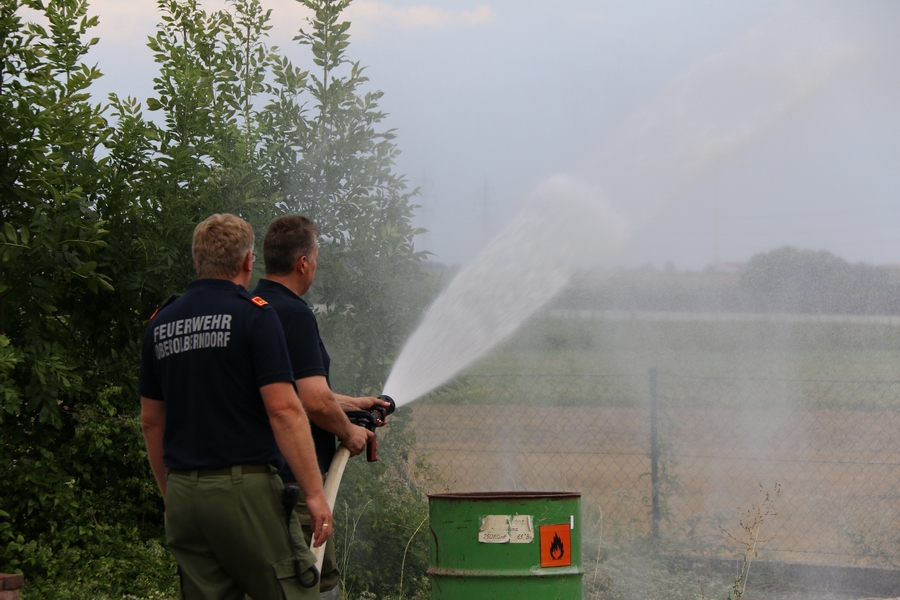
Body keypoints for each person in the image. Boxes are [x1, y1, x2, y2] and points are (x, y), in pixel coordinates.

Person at [139, 213, 332, 600]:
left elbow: (151, 422)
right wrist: (314, 493)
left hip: (183, 494)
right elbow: (284, 410)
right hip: (242, 490)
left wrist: (171, 496)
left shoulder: (161, 324)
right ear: (247, 261)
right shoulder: (254, 316)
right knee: (297, 590)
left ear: (196, 260)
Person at [252, 214, 391, 600]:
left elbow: (288, 391)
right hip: (293, 484)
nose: (316, 265)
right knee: (315, 583)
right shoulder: (294, 313)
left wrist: (352, 403)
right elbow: (313, 401)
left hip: (255, 481)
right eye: (316, 258)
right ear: (303, 263)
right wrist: (350, 432)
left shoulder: (252, 307)